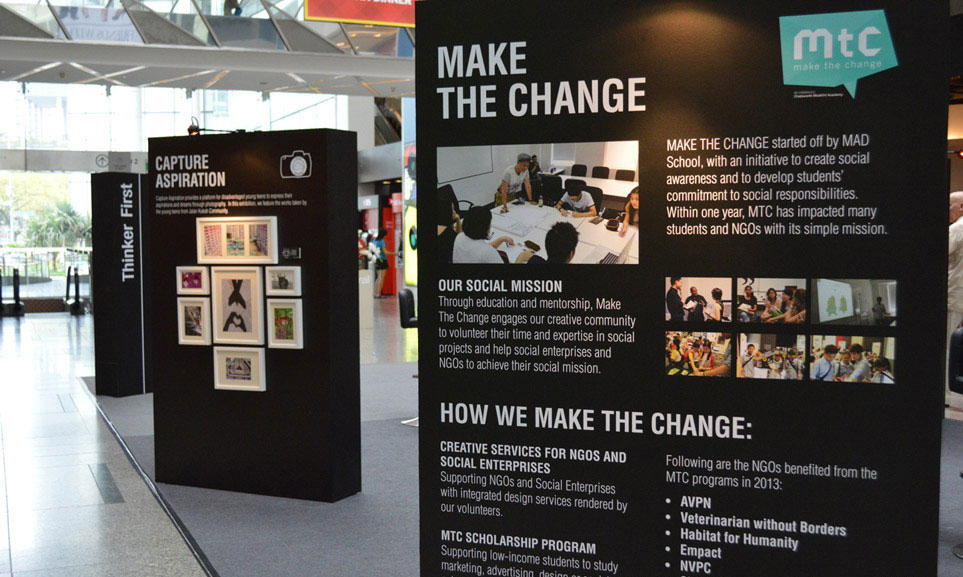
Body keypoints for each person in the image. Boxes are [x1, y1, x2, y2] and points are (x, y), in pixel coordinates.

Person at [949, 191, 963, 391]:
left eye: (950, 205)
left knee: (949, 346)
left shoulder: (957, 229)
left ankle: (946, 393)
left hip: (954, 298)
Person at [437, 194, 461, 264]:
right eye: (452, 209)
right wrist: (458, 219)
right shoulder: (449, 233)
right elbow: (461, 237)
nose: (454, 212)